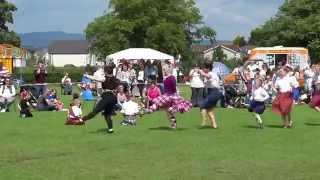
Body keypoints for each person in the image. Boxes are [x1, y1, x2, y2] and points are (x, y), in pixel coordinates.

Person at [82, 64, 120, 134]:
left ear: (106, 72)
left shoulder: (104, 78)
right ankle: (110, 129)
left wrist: (86, 75)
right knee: (107, 114)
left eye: (104, 71)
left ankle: (83, 119)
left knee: (95, 111)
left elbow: (95, 79)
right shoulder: (115, 79)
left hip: (107, 97)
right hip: (113, 98)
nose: (103, 73)